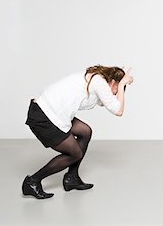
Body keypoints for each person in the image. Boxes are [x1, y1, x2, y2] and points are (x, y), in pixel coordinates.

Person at [22, 65, 134, 199]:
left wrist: (120, 79)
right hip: (43, 116)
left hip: (49, 112)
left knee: (85, 132)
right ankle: (32, 181)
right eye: (116, 90)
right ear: (113, 82)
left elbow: (106, 102)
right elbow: (118, 110)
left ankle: (71, 178)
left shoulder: (97, 80)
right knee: (75, 154)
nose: (115, 94)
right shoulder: (99, 82)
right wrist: (122, 84)